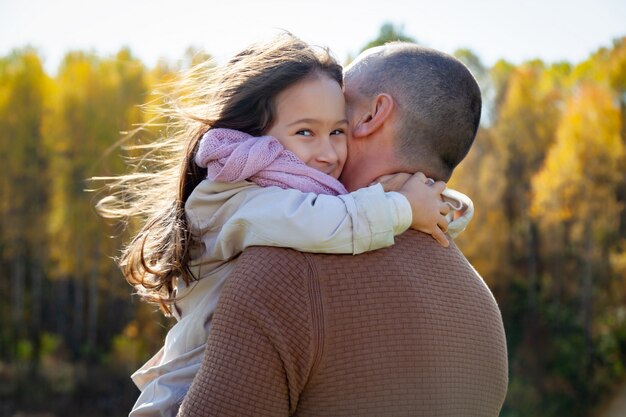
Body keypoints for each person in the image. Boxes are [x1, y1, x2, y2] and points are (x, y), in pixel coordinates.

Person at [97, 34, 473, 416]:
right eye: (305, 132)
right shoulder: (246, 200)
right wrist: (403, 207)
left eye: (338, 130)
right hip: (177, 395)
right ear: (256, 137)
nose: (328, 154)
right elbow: (320, 221)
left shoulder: (298, 226)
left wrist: (423, 201)